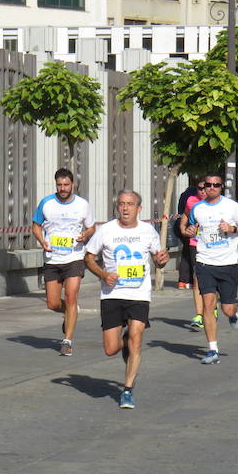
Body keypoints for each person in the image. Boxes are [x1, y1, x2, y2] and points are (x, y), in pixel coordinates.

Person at [85, 190, 169, 409]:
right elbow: (89, 258)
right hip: (112, 294)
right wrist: (103, 275)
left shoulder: (147, 230)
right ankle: (125, 345)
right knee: (110, 349)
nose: (125, 208)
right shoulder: (106, 230)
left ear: (139, 208)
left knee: (136, 336)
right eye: (121, 204)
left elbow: (158, 260)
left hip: (139, 294)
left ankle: (128, 390)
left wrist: (162, 260)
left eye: (130, 204)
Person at [184, 172, 238, 365]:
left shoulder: (231, 207)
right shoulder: (197, 208)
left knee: (227, 308)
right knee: (208, 306)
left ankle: (233, 314)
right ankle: (212, 349)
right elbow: (188, 227)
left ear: (222, 187)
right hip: (205, 263)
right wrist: (188, 231)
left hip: (228, 263)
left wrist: (232, 229)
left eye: (216, 185)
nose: (212, 187)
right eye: (208, 185)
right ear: (203, 187)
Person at [31, 168, 96, 356]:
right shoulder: (46, 203)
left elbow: (91, 227)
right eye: (59, 185)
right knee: (52, 303)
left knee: (71, 296)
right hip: (52, 258)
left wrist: (85, 235)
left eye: (66, 185)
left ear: (72, 184)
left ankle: (67, 340)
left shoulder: (82, 205)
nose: (63, 188)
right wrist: (41, 240)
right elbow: (36, 226)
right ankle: (69, 312)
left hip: (74, 257)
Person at [178, 182, 210, 329]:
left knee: (210, 279)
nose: (203, 191)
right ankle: (199, 314)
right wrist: (184, 231)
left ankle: (210, 308)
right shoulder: (191, 201)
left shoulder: (219, 203)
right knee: (197, 278)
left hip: (213, 247)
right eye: (200, 188)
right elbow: (184, 218)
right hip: (195, 244)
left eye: (206, 188)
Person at [175, 180, 199, 289]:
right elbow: (186, 212)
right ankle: (191, 280)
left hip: (182, 225)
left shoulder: (184, 194)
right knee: (191, 254)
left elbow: (181, 211)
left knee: (186, 253)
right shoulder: (193, 198)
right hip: (190, 227)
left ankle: (183, 281)